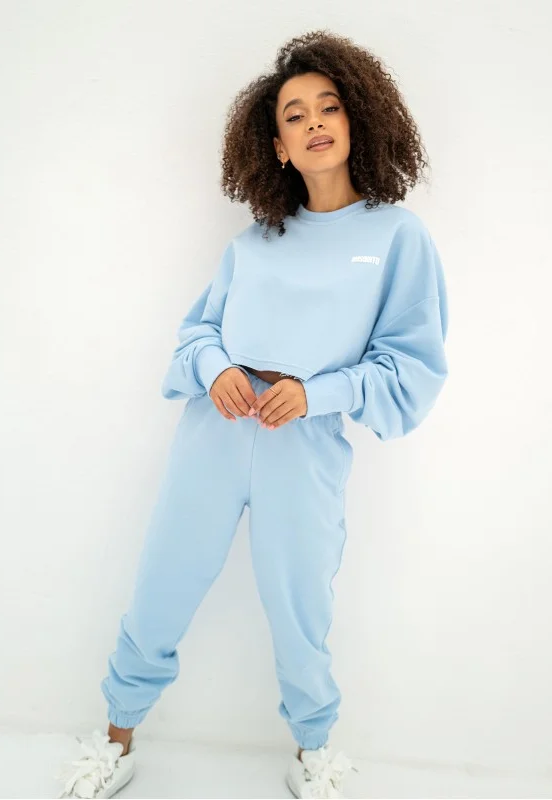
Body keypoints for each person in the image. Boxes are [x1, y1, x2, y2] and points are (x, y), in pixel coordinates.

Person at [55, 28, 449, 800]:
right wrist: (217, 370)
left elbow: (410, 365)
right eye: (294, 115)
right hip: (216, 432)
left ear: (358, 118)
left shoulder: (396, 238)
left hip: (304, 445)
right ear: (276, 147)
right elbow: (199, 332)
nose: (314, 123)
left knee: (302, 607)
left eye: (329, 106)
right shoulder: (253, 242)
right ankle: (115, 739)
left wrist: (316, 393)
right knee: (162, 583)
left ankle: (314, 751)